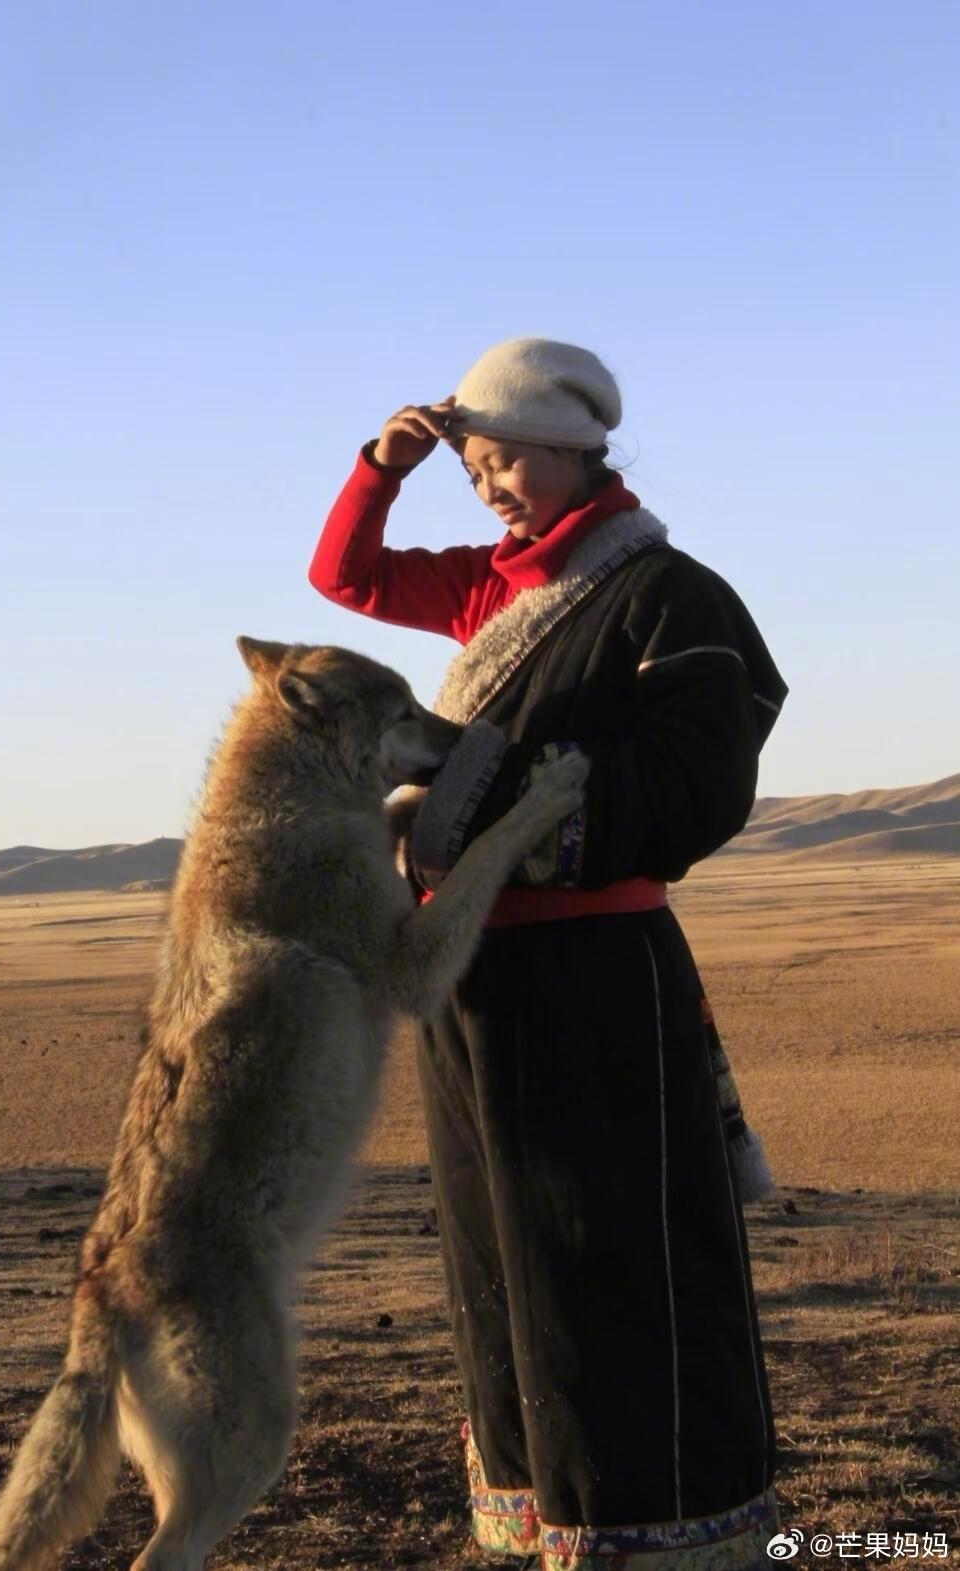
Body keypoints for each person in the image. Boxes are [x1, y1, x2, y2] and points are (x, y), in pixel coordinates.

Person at [309, 338, 787, 1570]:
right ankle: (551, 1515)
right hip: (473, 983)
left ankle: (666, 1524)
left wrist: (467, 805)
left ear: (575, 444)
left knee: (610, 1251)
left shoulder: (671, 596)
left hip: (595, 976)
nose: (491, 486)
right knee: (500, 1256)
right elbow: (345, 576)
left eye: (504, 458)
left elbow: (694, 784)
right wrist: (385, 466)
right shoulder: (492, 593)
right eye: (474, 469)